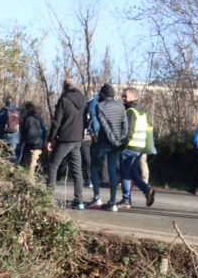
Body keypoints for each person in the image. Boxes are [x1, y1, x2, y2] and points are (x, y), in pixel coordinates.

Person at [44, 79, 88, 208]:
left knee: (53, 166)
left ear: (64, 88)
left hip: (65, 138)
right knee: (77, 170)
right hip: (78, 139)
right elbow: (85, 120)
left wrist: (51, 139)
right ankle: (79, 201)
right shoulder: (84, 100)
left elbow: (57, 122)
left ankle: (48, 199)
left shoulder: (64, 100)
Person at [87, 84, 128, 211]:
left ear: (103, 94)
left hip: (105, 142)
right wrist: (120, 139)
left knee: (93, 166)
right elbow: (125, 126)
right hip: (117, 143)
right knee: (112, 171)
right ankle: (112, 202)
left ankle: (96, 197)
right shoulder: (121, 106)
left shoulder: (100, 106)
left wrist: (113, 141)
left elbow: (104, 126)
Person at [117, 88, 156, 208]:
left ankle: (126, 200)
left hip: (130, 146)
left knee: (124, 172)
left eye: (125, 96)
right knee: (132, 172)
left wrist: (122, 145)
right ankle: (147, 190)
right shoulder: (143, 110)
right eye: (122, 96)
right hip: (140, 146)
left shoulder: (130, 110)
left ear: (133, 96)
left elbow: (129, 130)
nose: (123, 98)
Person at [0, 96, 21, 162]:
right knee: (12, 154)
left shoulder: (4, 110)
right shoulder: (17, 111)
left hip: (4, 135)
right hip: (15, 137)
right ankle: (14, 168)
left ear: (6, 102)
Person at [19, 101, 46, 174]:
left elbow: (23, 130)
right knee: (35, 158)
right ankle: (37, 172)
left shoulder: (27, 118)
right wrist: (43, 141)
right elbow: (43, 130)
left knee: (24, 157)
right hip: (38, 141)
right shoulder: (40, 118)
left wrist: (22, 140)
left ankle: (26, 171)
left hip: (28, 141)